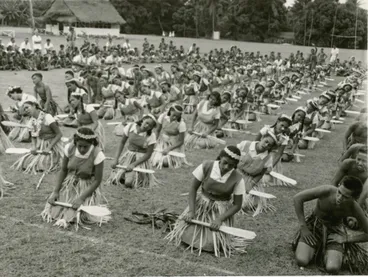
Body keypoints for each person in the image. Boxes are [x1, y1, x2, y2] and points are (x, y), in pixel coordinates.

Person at [166, 146, 247, 257]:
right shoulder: (207, 166)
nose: (226, 167)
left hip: (220, 209)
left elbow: (237, 205)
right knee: (186, 235)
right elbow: (193, 189)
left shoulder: (238, 178)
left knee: (211, 244)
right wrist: (191, 211)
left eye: (231, 165)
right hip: (201, 205)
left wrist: (220, 219)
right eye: (225, 163)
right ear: (220, 157)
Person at [292, 176, 368, 274]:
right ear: (339, 186)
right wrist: (304, 227)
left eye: (345, 197)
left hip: (335, 232)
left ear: (354, 198)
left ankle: (328, 252)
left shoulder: (354, 208)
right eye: (339, 192)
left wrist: (346, 238)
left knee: (332, 268)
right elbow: (297, 198)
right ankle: (315, 249)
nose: (339, 198)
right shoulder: (326, 191)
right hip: (314, 226)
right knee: (302, 260)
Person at [41, 127, 109, 229]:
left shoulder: (97, 154)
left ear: (91, 144)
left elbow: (97, 180)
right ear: (75, 142)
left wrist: (81, 198)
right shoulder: (69, 148)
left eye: (85, 147)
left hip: (86, 187)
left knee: (74, 214)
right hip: (69, 184)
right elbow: (64, 170)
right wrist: (56, 191)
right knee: (54, 212)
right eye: (79, 146)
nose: (82, 149)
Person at [11, 100, 63, 174]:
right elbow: (33, 136)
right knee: (26, 163)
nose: (26, 110)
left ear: (34, 106)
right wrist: (34, 147)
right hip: (41, 145)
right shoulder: (32, 120)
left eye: (27, 107)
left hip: (53, 145)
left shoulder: (47, 117)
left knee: (45, 164)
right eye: (24, 109)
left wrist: (49, 148)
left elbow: (59, 134)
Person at [107, 114, 159, 188]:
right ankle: (123, 174)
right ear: (143, 120)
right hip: (128, 156)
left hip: (140, 160)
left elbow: (148, 155)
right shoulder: (130, 127)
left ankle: (132, 177)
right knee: (114, 179)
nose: (147, 126)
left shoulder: (151, 136)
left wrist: (134, 164)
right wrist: (116, 159)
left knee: (128, 183)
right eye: (147, 122)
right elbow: (122, 143)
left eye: (150, 126)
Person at [237, 132, 277, 215]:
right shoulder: (245, 144)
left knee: (244, 204)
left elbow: (260, 174)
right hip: (235, 174)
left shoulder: (268, 158)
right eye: (266, 141)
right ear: (262, 138)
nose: (266, 145)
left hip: (250, 179)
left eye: (269, 145)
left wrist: (250, 184)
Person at [151, 105, 191, 169]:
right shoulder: (163, 116)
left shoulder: (181, 124)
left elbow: (181, 141)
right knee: (155, 161)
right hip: (162, 142)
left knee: (165, 163)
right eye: (174, 115)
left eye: (177, 116)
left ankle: (173, 160)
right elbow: (157, 131)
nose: (175, 118)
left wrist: (169, 149)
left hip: (174, 144)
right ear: (171, 111)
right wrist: (154, 142)